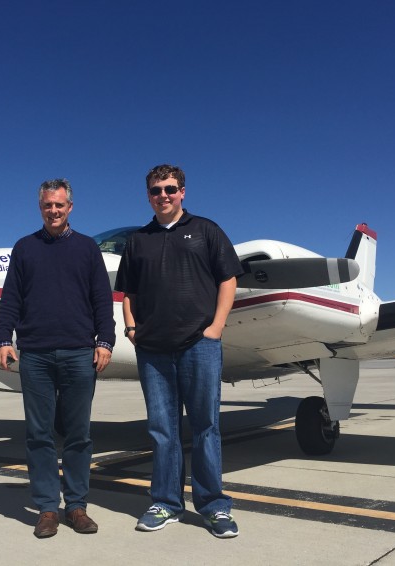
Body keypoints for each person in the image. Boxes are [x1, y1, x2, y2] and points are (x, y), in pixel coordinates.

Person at [114, 164, 244, 538]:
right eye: (156, 190)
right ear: (148, 196)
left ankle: (214, 506)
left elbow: (228, 279)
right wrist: (133, 328)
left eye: (170, 189)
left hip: (199, 345)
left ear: (183, 191)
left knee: (206, 426)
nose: (164, 196)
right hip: (153, 350)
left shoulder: (206, 230)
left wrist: (215, 329)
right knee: (162, 429)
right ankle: (166, 503)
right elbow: (129, 294)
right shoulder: (139, 241)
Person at [0, 178, 116, 538]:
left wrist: (105, 341)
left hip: (80, 353)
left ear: (70, 207)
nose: (54, 211)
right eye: (48, 205)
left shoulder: (86, 249)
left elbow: (101, 299)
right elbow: (11, 298)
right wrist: (4, 338)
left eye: (60, 205)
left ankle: (76, 506)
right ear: (41, 207)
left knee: (79, 434)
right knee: (39, 434)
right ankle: (48, 508)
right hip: (35, 355)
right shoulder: (25, 248)